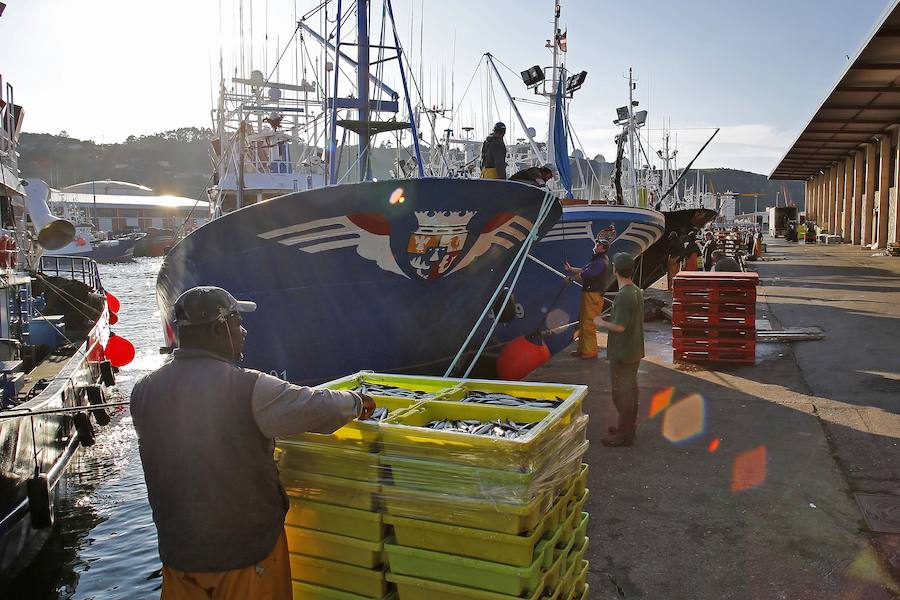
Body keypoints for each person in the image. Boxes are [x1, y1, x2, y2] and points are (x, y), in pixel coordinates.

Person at [130, 286, 376, 600]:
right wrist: (358, 401)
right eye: (236, 322)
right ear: (220, 329)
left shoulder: (143, 390)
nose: (243, 331)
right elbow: (317, 407)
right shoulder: (248, 388)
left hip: (179, 556)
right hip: (246, 557)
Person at [594, 253, 645, 447]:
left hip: (623, 352)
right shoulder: (636, 291)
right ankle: (627, 428)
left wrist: (600, 322)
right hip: (634, 349)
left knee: (621, 394)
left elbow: (620, 326)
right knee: (631, 392)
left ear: (615, 270)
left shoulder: (623, 296)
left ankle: (624, 435)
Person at [564, 237, 611, 360]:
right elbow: (584, 270)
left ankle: (589, 352)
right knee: (583, 322)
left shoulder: (600, 262)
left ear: (603, 248)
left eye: (599, 244)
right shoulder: (598, 260)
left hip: (593, 295)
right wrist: (570, 269)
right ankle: (582, 349)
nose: (596, 245)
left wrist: (571, 279)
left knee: (589, 323)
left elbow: (585, 274)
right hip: (589, 294)